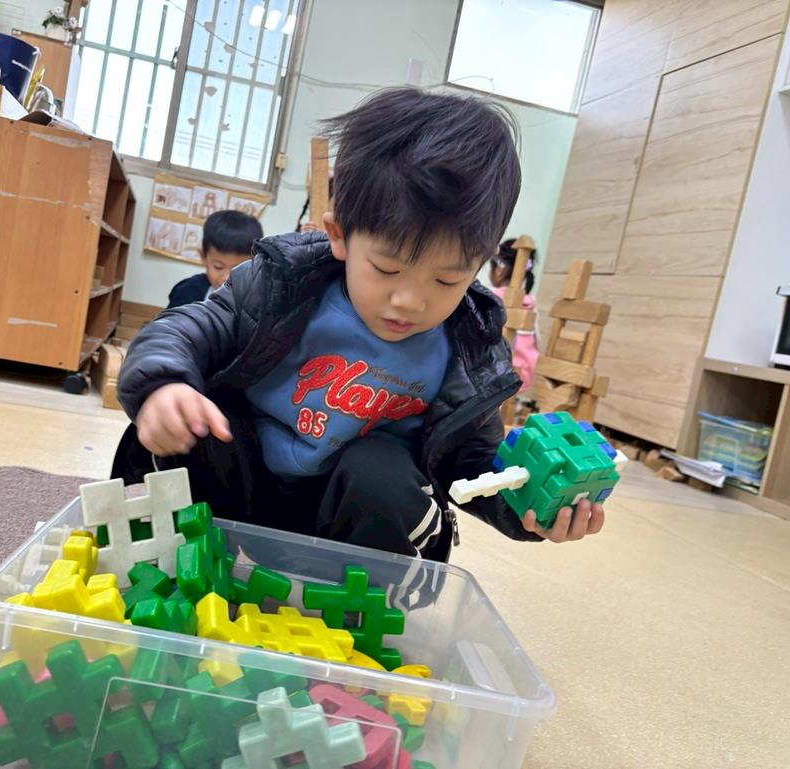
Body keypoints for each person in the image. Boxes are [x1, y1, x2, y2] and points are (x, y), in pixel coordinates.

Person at [112, 88, 605, 566]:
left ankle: (358, 604)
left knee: (380, 468)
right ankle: (170, 561)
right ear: (340, 235)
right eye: (387, 269)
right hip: (240, 493)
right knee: (197, 416)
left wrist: (529, 505)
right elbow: (184, 329)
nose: (409, 300)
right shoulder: (281, 284)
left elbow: (473, 467)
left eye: (447, 279)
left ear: (479, 263)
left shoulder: (467, 348)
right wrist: (164, 384)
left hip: (353, 534)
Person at [167, 210, 263, 309]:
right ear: (203, 257)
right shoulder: (187, 290)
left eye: (239, 269)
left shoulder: (261, 299)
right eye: (218, 267)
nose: (227, 278)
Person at [489, 238, 539, 391]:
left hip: (496, 376)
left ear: (499, 269)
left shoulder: (492, 298)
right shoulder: (530, 303)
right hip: (524, 377)